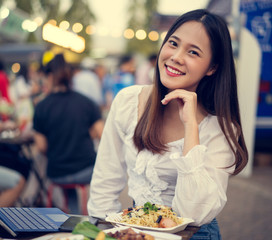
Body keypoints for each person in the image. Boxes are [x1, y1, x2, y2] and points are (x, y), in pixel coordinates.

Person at [87, 9, 248, 239]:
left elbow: (194, 214)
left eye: (193, 52)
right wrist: (104, 231)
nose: (176, 56)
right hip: (135, 231)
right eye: (173, 43)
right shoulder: (128, 101)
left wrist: (190, 126)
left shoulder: (220, 128)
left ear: (212, 67)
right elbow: (106, 180)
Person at [33, 54, 104, 213]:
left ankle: (71, 214)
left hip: (57, 173)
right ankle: (82, 216)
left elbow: (42, 146)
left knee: (62, 177)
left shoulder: (41, 106)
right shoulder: (87, 102)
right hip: (86, 170)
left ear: (50, 76)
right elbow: (103, 135)